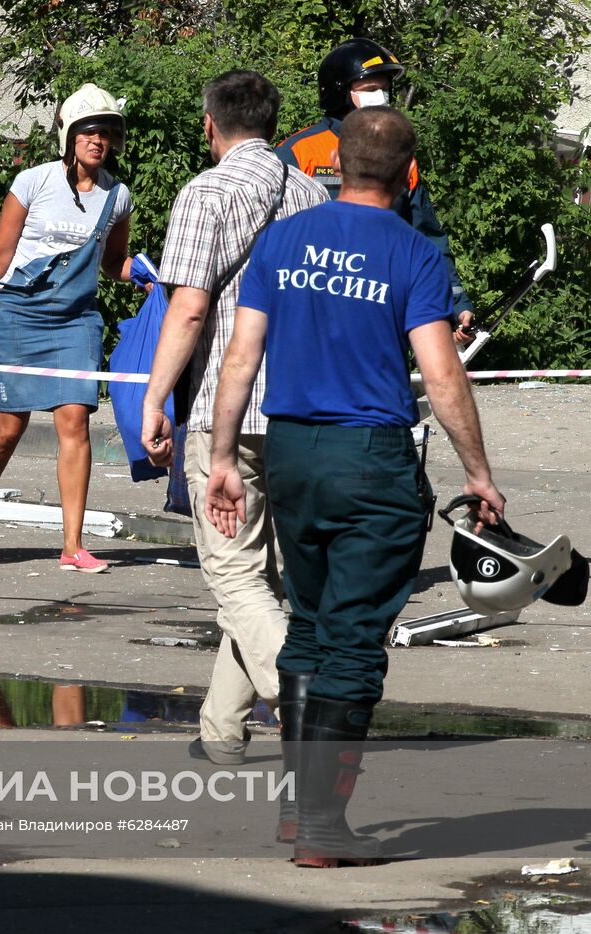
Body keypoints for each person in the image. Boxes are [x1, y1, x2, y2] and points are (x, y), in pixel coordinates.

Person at [204, 106, 505, 867]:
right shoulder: (414, 251)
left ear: (333, 163)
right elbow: (440, 373)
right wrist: (478, 473)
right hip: (368, 454)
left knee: (307, 621)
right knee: (353, 641)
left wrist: (221, 459)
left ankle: (295, 809)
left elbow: (240, 358)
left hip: (292, 450)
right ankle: (322, 826)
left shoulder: (281, 239)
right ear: (408, 176)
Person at [139, 70, 329, 770]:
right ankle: (220, 729)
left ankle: (313, 710)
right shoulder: (311, 193)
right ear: (274, 123)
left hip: (231, 405)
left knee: (236, 579)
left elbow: (189, 307)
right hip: (306, 405)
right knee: (264, 580)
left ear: (209, 124)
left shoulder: (206, 191)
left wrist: (154, 398)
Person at [0, 82, 135, 572]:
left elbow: (113, 262)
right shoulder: (33, 181)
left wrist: (148, 275)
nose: (98, 141)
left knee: (76, 422)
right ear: (69, 135)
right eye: (89, 131)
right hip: (19, 316)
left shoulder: (117, 197)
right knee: (9, 429)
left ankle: (73, 546)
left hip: (76, 321)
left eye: (106, 133)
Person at [276, 38, 476, 345]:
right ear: (340, 93)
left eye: (384, 88)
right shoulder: (298, 153)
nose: (381, 96)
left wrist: (455, 301)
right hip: (310, 309)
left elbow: (426, 235)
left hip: (382, 308)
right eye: (369, 89)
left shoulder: (401, 154)